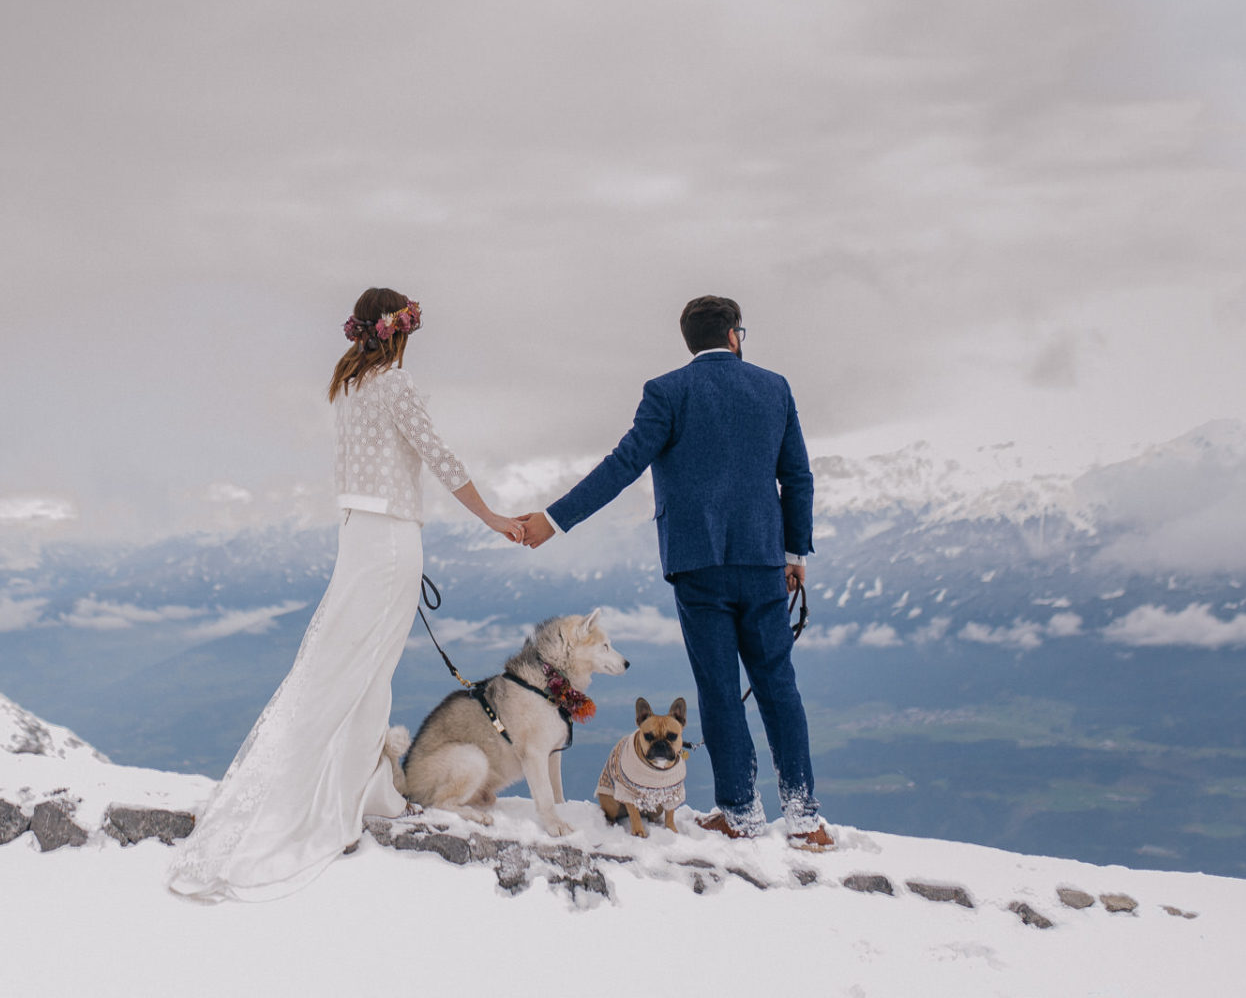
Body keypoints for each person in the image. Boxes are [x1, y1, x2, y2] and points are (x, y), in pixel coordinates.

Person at [166, 288, 526, 902]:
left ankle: (365, 793)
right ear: (400, 330)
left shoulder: (350, 388)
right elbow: (440, 457)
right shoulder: (394, 386)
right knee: (368, 674)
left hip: (358, 539)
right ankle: (344, 806)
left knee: (345, 671)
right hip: (390, 543)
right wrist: (494, 519)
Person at [517, 295, 832, 851]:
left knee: (717, 689)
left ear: (691, 341)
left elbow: (622, 465)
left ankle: (740, 812)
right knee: (779, 687)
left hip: (696, 562)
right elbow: (797, 478)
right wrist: (793, 555)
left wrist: (552, 519)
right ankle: (805, 818)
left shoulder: (667, 391)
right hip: (764, 561)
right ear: (736, 335)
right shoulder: (774, 387)